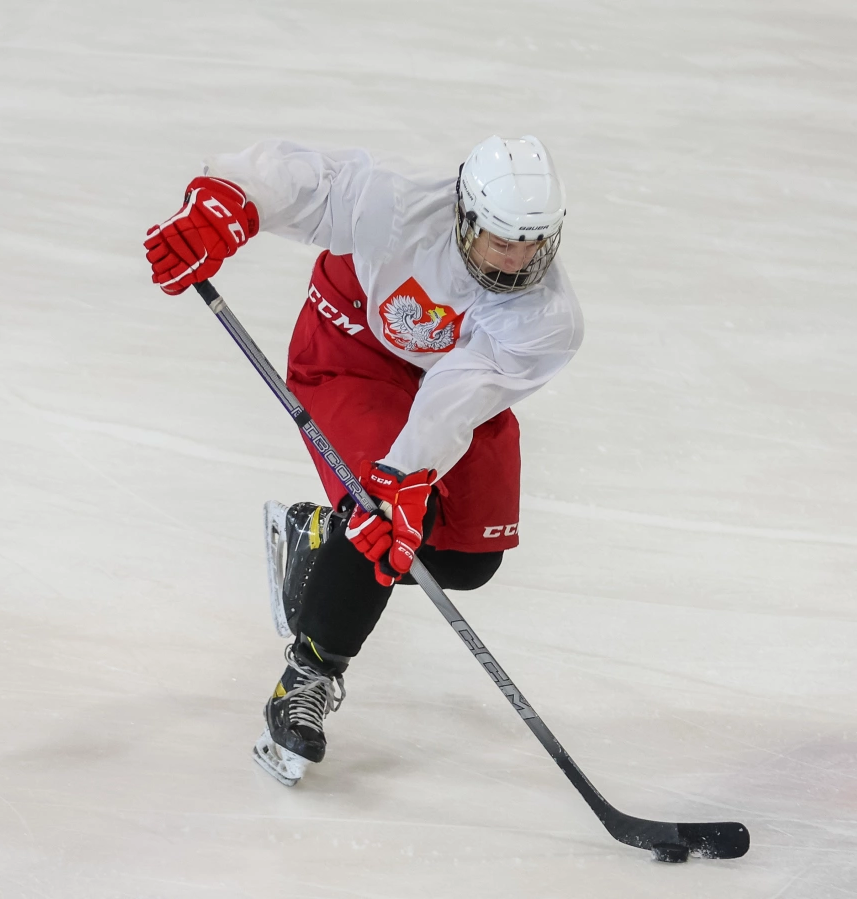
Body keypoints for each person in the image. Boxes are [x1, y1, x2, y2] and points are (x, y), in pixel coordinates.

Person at [144, 136, 582, 785]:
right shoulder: (399, 202)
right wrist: (228, 204)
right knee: (380, 515)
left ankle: (318, 539)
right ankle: (309, 673)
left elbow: (457, 398)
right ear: (464, 215)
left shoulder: (548, 318)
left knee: (466, 560)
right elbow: (311, 184)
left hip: (449, 386)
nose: (518, 260)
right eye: (502, 240)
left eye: (534, 243)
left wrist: (407, 474)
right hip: (354, 352)